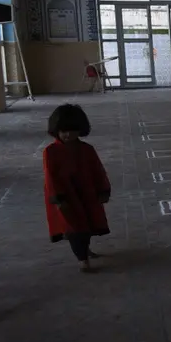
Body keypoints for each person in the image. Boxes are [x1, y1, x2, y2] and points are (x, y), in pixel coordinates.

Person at [42, 104, 111, 273]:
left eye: (73, 131)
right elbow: (50, 177)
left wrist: (103, 190)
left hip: (87, 194)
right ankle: (83, 260)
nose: (68, 135)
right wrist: (58, 198)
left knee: (88, 223)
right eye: (64, 131)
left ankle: (85, 250)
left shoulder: (87, 149)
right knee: (73, 227)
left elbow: (98, 170)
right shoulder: (50, 152)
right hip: (66, 196)